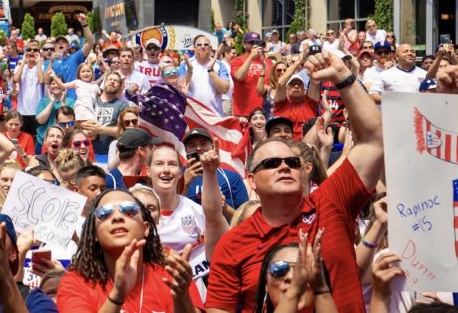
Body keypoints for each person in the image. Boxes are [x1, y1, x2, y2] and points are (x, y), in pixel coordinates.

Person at [206, 51, 383, 313]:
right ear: (251, 181)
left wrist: (344, 78)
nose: (284, 166)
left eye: (292, 162)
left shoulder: (331, 203)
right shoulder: (233, 245)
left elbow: (373, 142)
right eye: (271, 163)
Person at [57, 189, 194, 313]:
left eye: (129, 210)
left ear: (146, 228)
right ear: (94, 233)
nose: (117, 217)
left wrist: (182, 298)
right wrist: (117, 295)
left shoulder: (172, 276)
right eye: (104, 213)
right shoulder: (74, 282)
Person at [182, 35, 232, 114]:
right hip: (192, 116)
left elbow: (224, 90)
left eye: (206, 44)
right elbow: (180, 88)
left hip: (214, 116)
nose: (203, 47)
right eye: (199, 44)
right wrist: (190, 71)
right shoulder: (186, 64)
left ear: (210, 48)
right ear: (194, 48)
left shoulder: (219, 65)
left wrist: (211, 70)